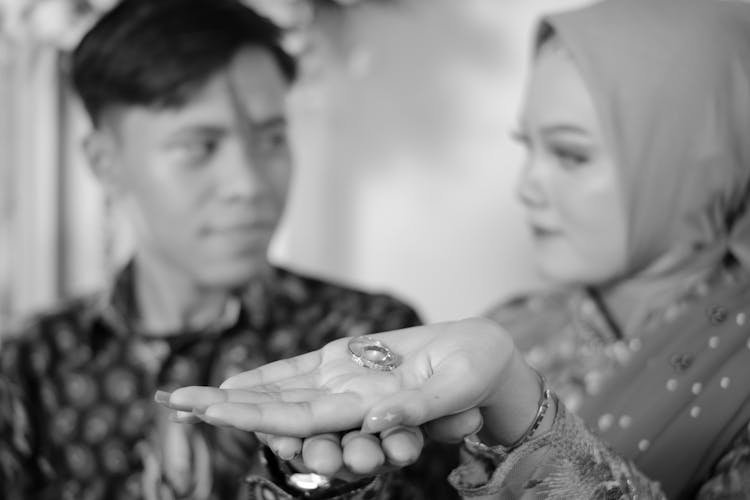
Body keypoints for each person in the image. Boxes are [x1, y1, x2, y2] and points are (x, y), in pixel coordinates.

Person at [159, 0, 750, 497]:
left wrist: (526, 410)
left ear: (699, 161)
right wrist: (322, 476)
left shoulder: (495, 355)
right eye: (529, 148)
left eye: (571, 154)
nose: (527, 186)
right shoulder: (509, 330)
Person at [0, 0, 461, 498]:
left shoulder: (368, 341)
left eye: (272, 137)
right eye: (199, 146)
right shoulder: (29, 365)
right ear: (106, 163)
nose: (248, 182)